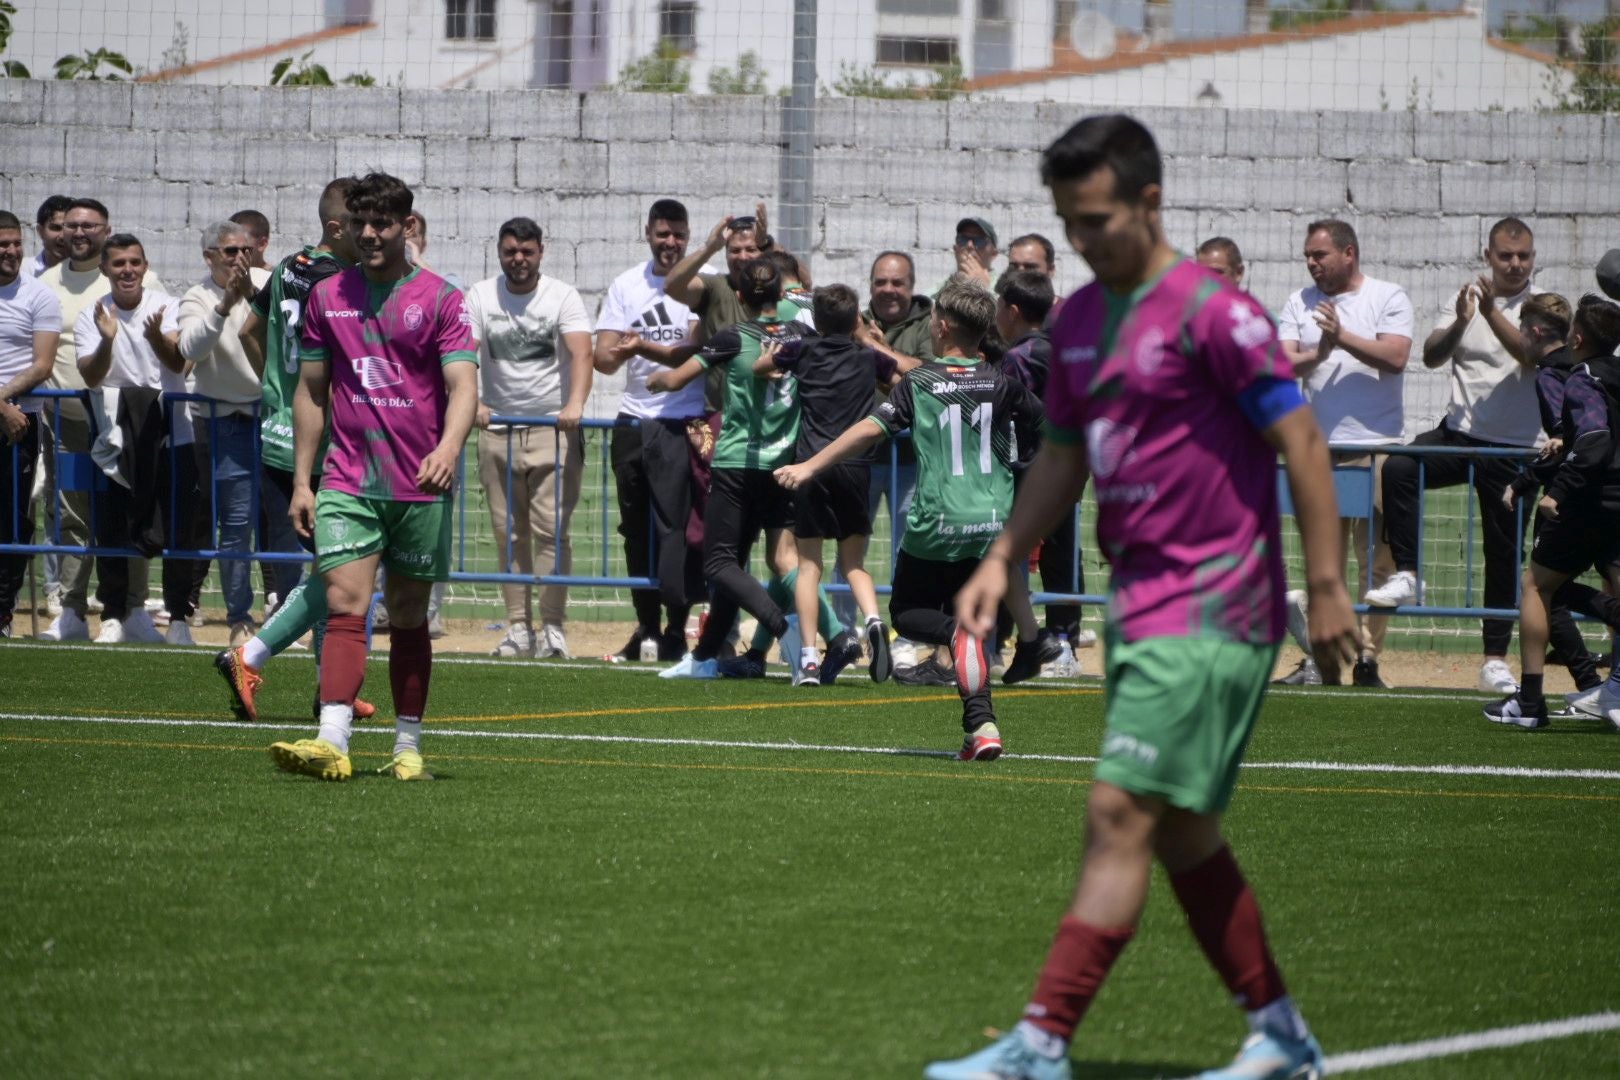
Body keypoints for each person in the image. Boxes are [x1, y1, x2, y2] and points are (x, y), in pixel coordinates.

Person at [928, 113, 1358, 1080]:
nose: (1082, 242)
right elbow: (1064, 457)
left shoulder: (1216, 313)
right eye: (1069, 223)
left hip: (1221, 602)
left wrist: (1326, 586)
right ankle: (1282, 1035)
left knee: (1120, 814)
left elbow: (1302, 443)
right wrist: (1003, 556)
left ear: (1149, 201)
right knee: (1184, 832)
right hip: (1143, 607)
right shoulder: (1078, 323)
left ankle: (1039, 1043)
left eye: (1096, 220)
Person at [268, 172, 479, 783]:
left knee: (409, 613)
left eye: (381, 223)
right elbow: (311, 392)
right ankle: (332, 738)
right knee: (344, 602)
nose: (368, 234)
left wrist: (447, 447)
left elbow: (464, 386)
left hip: (419, 483)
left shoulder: (441, 298)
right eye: (359, 223)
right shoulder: (327, 296)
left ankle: (408, 746)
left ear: (406, 226)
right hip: (348, 479)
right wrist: (303, 480)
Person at [779, 279, 1047, 748]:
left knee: (907, 612)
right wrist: (1022, 469)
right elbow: (1045, 426)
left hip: (937, 524)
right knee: (967, 622)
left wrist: (809, 466)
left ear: (942, 327)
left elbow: (868, 429)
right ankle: (981, 726)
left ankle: (956, 641)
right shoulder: (1001, 383)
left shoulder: (922, 383)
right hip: (990, 523)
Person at [214, 177, 378, 725]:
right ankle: (258, 658)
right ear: (339, 227)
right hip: (323, 442)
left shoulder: (289, 265)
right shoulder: (344, 282)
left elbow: (250, 330)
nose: (370, 234)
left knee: (335, 568)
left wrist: (278, 389)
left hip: (280, 436)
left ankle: (334, 685)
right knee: (341, 570)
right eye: (362, 224)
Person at [1367, 218, 1542, 696]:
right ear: (1488, 255)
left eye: (1523, 255)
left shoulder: (1540, 305)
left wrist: (1490, 313)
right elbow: (1431, 355)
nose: (1514, 264)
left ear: (1532, 257)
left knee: (1503, 553)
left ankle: (1492, 660)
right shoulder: (1464, 297)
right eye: (1505, 255)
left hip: (1514, 450)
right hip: (1460, 435)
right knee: (1400, 465)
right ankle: (1408, 574)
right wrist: (1465, 318)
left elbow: (1529, 354)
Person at [650, 257, 823, 679]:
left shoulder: (734, 336)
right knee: (742, 563)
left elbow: (677, 379)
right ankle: (707, 657)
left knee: (719, 564)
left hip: (737, 464)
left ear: (740, 296)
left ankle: (787, 631)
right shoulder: (802, 334)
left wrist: (654, 379)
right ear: (780, 296)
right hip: (784, 466)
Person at [1277, 218, 1412, 688]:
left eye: (1320, 255)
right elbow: (1282, 361)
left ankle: (1369, 659)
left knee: (1377, 563)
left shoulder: (1388, 296)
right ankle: (1326, 661)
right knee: (1324, 563)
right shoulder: (1299, 301)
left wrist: (1342, 338)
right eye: (1308, 257)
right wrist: (1320, 352)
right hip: (1320, 451)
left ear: (1348, 253)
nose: (1312, 264)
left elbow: (1395, 358)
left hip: (1376, 449)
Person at [759, 283, 916, 684]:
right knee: (853, 564)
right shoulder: (867, 357)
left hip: (810, 465)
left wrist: (769, 363)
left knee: (809, 564)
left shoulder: (802, 350)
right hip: (856, 464)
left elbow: (765, 366)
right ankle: (875, 622)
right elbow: (901, 378)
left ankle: (809, 658)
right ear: (855, 321)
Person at [36, 198, 165, 641]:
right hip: (68, 422)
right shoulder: (45, 283)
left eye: (90, 226)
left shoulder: (143, 285)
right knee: (74, 517)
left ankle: (131, 608)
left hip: (125, 423)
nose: (79, 233)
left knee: (131, 512)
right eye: (71, 225)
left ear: (106, 231)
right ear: (55, 231)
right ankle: (70, 608)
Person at [1489, 294, 1620, 729]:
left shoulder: (1569, 376)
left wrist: (1549, 489)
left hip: (1586, 500)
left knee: (1536, 586)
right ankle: (1606, 686)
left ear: (1577, 336)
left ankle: (1529, 703)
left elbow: (1584, 438)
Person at [467, 216, 593, 660]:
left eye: (527, 251)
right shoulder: (481, 294)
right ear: (499, 252)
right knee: (508, 534)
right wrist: (474, 402)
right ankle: (518, 628)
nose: (518, 260)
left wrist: (575, 404)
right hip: (496, 429)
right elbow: (466, 353)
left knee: (551, 532)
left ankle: (553, 628)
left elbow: (581, 352)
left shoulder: (562, 296)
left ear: (542, 250)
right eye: (510, 252)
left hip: (551, 430)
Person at [73, 233, 202, 646]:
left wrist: (154, 339)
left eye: (134, 262)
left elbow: (179, 363)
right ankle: (112, 614)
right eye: (118, 264)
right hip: (116, 439)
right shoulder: (92, 314)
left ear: (145, 266)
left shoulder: (167, 306)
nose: (127, 270)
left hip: (172, 435)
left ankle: (179, 617)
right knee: (112, 527)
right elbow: (91, 376)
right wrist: (108, 339)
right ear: (104, 269)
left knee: (178, 530)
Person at [593, 198, 705, 662]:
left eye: (678, 234)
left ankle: (677, 629)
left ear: (688, 236)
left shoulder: (700, 285)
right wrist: (621, 351)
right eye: (662, 234)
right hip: (634, 419)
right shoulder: (626, 285)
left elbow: (692, 350)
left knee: (676, 530)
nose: (670, 242)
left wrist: (645, 345)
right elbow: (601, 359)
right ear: (648, 233)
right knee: (634, 529)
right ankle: (645, 627)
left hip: (683, 420)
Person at [177, 220, 271, 647]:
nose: (239, 259)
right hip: (227, 422)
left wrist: (250, 296)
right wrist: (224, 305)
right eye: (229, 252)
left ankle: (290, 611)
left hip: (276, 417)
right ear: (209, 257)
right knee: (236, 527)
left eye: (245, 250)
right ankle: (239, 617)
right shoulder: (197, 297)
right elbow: (190, 350)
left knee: (290, 522)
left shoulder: (270, 283)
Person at [0, 210, 62, 637]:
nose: (11, 252)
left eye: (16, 243)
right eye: (3, 245)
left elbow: (42, 365)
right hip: (7, 409)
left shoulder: (38, 296)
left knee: (14, 519)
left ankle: (3, 610)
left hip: (19, 423)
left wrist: (3, 406)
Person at [26, 195, 73, 279]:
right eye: (56, 228)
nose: (62, 236)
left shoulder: (94, 274)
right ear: (40, 231)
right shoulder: (23, 272)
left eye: (69, 228)